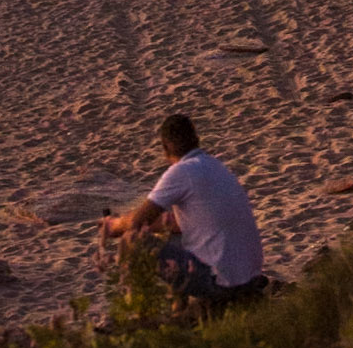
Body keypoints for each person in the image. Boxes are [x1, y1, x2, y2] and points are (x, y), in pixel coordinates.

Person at [99, 113, 265, 305]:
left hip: (220, 283)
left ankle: (134, 308)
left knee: (133, 241)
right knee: (174, 235)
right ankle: (180, 307)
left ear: (165, 148)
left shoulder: (181, 172)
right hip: (249, 279)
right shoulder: (216, 166)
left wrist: (114, 225)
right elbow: (177, 223)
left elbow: (137, 223)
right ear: (196, 139)